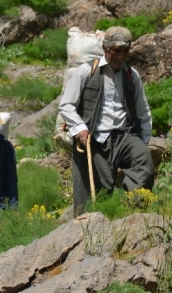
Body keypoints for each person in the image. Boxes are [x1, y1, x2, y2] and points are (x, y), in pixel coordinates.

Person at [59, 26, 154, 216]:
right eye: (116, 50)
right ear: (105, 48)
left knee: (143, 160)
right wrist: (80, 129)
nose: (121, 55)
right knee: (95, 194)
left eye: (125, 51)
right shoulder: (87, 71)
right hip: (94, 140)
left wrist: (142, 143)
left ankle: (133, 213)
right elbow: (66, 105)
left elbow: (143, 112)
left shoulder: (131, 75)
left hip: (123, 136)